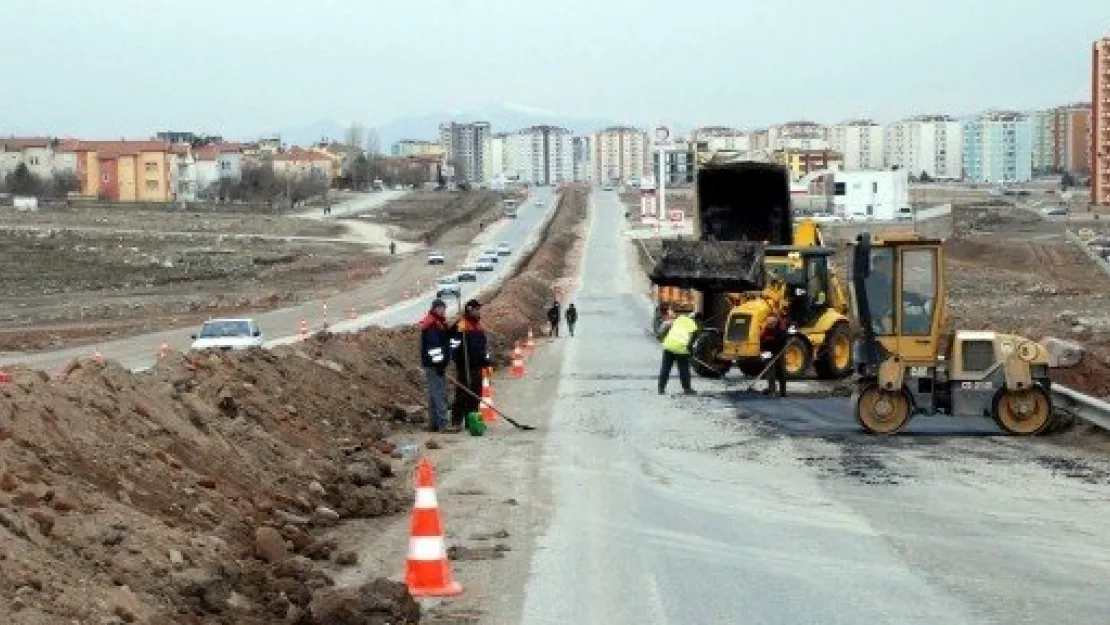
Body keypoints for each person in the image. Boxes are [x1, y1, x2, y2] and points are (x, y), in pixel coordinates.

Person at [447, 299, 492, 432]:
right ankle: (456, 421)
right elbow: (453, 344)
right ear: (469, 310)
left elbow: (483, 347)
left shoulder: (478, 326)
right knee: (463, 394)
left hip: (477, 366)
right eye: (476, 309)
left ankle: (471, 420)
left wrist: (486, 360)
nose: (479, 312)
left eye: (479, 309)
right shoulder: (461, 325)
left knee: (475, 394)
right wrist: (458, 359)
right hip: (465, 366)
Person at [419, 299, 452, 432]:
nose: (443, 311)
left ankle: (434, 423)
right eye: (440, 308)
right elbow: (434, 348)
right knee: (439, 393)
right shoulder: (432, 325)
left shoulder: (438, 322)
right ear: (435, 309)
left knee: (434, 394)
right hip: (434, 365)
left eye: (444, 308)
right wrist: (439, 365)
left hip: (434, 364)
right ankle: (443, 423)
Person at [658, 311, 699, 395]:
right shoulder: (694, 327)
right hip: (681, 349)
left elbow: (666, 326)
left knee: (665, 368)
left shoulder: (680, 318)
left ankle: (661, 388)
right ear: (696, 320)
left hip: (669, 346)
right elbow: (690, 344)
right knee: (683, 369)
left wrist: (662, 337)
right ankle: (687, 389)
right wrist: (691, 353)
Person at [760, 313, 789, 397]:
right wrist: (764, 353)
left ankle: (783, 391)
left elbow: (782, 342)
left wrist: (776, 352)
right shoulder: (766, 329)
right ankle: (771, 389)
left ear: (775, 322)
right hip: (768, 351)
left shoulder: (781, 329)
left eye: (771, 324)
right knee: (769, 370)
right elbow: (762, 341)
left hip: (779, 351)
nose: (770, 325)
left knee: (781, 370)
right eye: (768, 324)